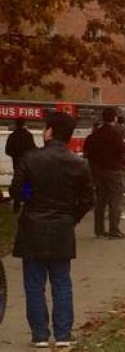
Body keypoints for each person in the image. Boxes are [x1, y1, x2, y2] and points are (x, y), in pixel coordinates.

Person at [10, 111, 94, 348]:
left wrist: (31, 196)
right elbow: (88, 199)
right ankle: (63, 334)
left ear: (50, 132)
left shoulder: (30, 158)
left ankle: (39, 335)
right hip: (61, 228)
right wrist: (71, 217)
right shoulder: (79, 164)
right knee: (61, 282)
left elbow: (18, 191)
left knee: (34, 284)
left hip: (32, 227)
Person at [84, 107, 125, 239]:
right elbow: (122, 150)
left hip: (98, 171)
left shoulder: (94, 135)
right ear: (114, 118)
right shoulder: (116, 134)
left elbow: (87, 152)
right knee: (116, 200)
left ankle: (99, 229)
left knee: (100, 200)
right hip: (114, 170)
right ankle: (114, 229)